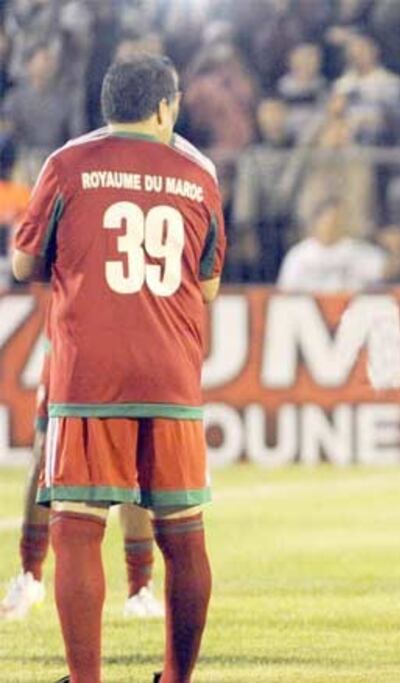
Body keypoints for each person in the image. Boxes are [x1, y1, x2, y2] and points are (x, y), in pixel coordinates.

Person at [11, 53, 226, 683]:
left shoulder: (68, 164)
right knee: (183, 532)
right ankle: (177, 678)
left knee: (77, 528)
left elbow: (24, 265)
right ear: (164, 107)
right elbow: (209, 285)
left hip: (89, 372)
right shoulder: (198, 173)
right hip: (171, 372)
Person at [1, 337, 166, 621]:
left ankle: (140, 588)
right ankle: (30, 575)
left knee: (132, 454)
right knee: (46, 448)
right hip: (72, 340)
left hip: (131, 339)